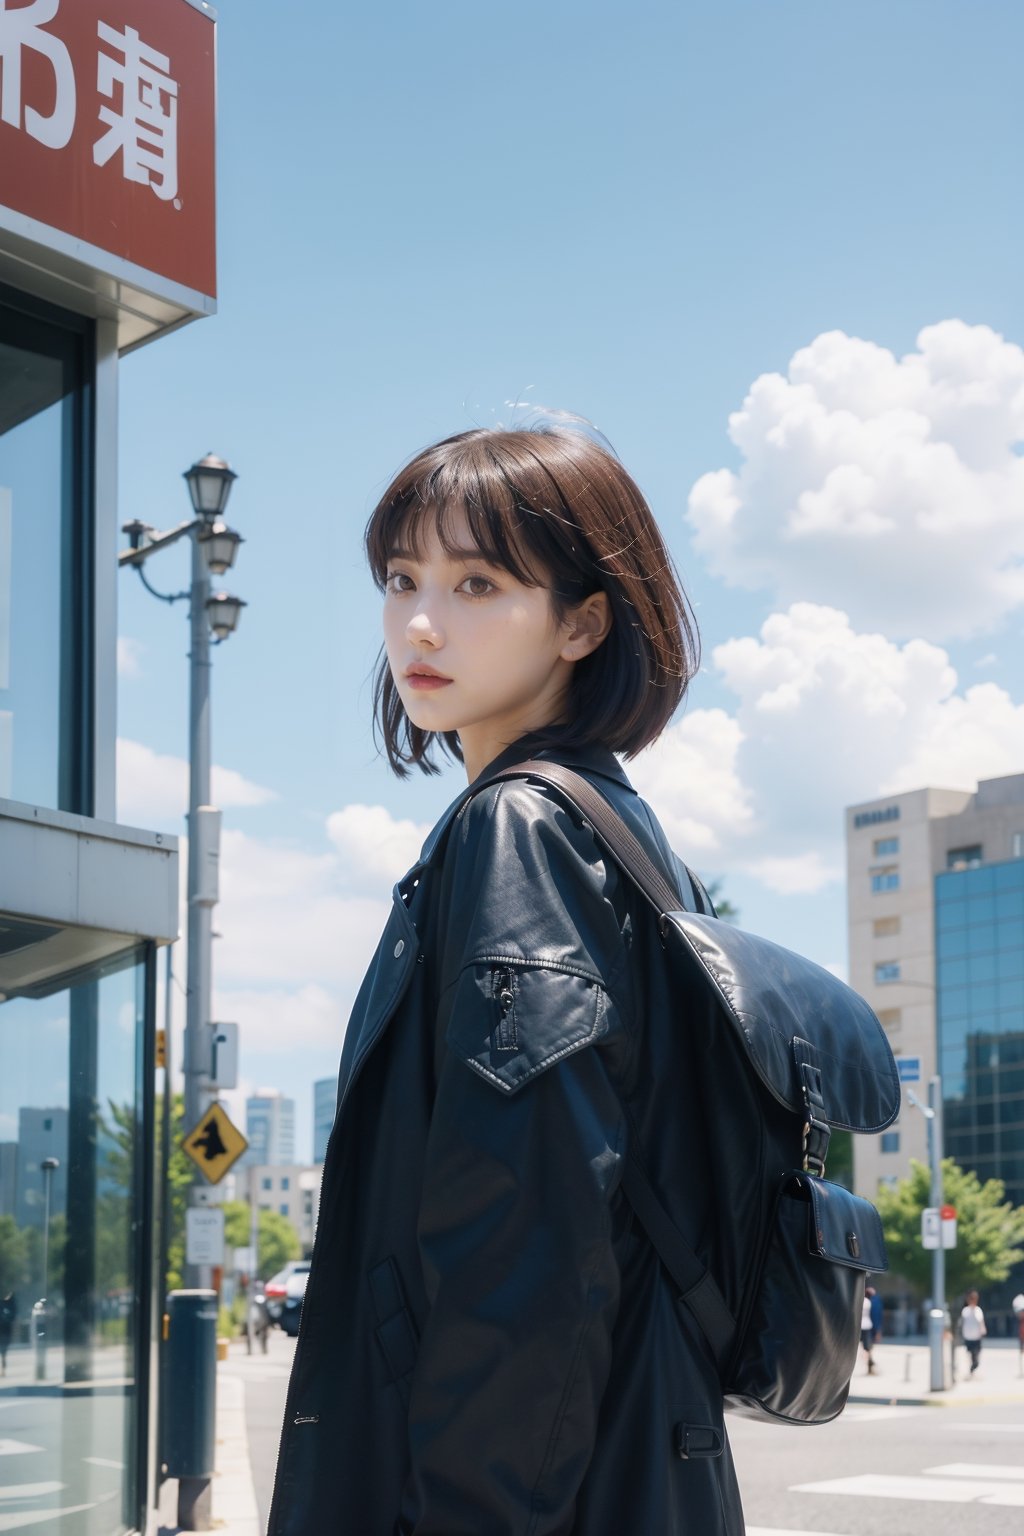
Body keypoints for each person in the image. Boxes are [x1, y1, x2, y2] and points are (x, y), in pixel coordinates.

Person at [269, 422, 745, 1536]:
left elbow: (525, 1247)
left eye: (477, 582)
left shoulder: (519, 830)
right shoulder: (617, 827)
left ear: (584, 621)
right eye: (400, 579)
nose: (419, 623)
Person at [960, 1289, 987, 1374]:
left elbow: (981, 1322)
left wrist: (983, 1331)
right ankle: (971, 1368)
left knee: (976, 1353)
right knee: (970, 1353)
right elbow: (962, 1322)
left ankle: (974, 1366)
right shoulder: (965, 1311)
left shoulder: (978, 1310)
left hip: (976, 1336)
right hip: (968, 1336)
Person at [861, 1286, 880, 1374]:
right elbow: (875, 1316)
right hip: (867, 1326)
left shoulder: (863, 1301)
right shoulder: (869, 1302)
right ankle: (870, 1362)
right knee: (868, 1347)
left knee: (866, 1347)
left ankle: (869, 1363)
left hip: (862, 1326)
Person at [0, 1290, 15, 1375]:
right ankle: (3, 1369)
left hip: (5, 1331)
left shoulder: (9, 1305)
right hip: (5, 1331)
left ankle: (3, 1369)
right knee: (3, 1352)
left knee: (3, 1352)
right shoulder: (8, 1305)